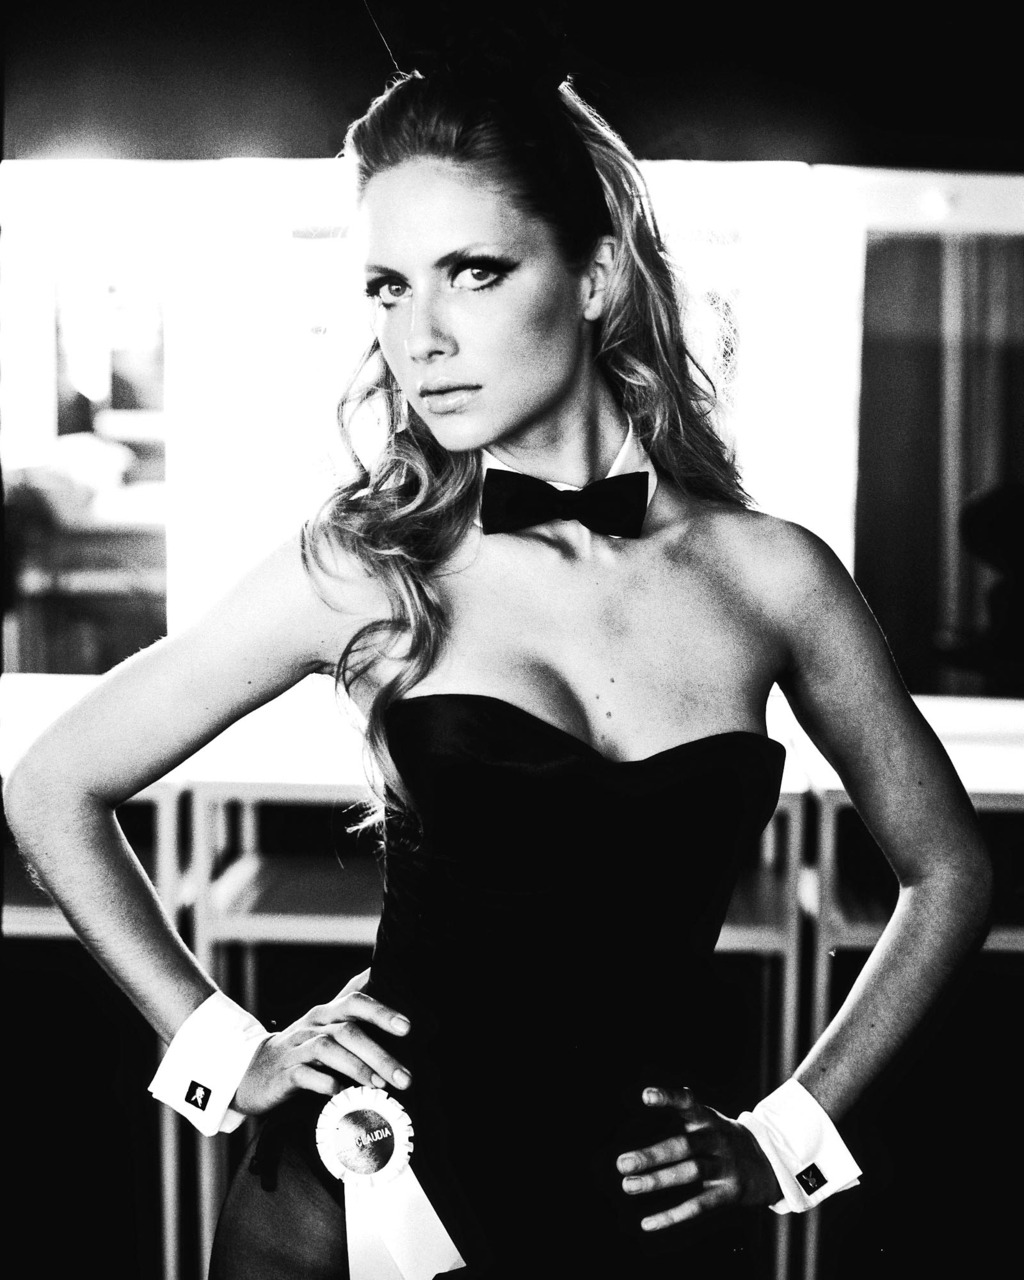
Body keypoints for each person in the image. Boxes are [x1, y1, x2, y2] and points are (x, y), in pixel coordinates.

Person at [3, 56, 992, 1280]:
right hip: (365, 1198)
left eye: (471, 272)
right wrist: (228, 1051)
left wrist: (783, 1138)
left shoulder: (773, 576)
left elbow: (949, 870)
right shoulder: (371, 567)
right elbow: (54, 783)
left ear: (595, 277)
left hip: (638, 1216)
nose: (419, 338)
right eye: (386, 287)